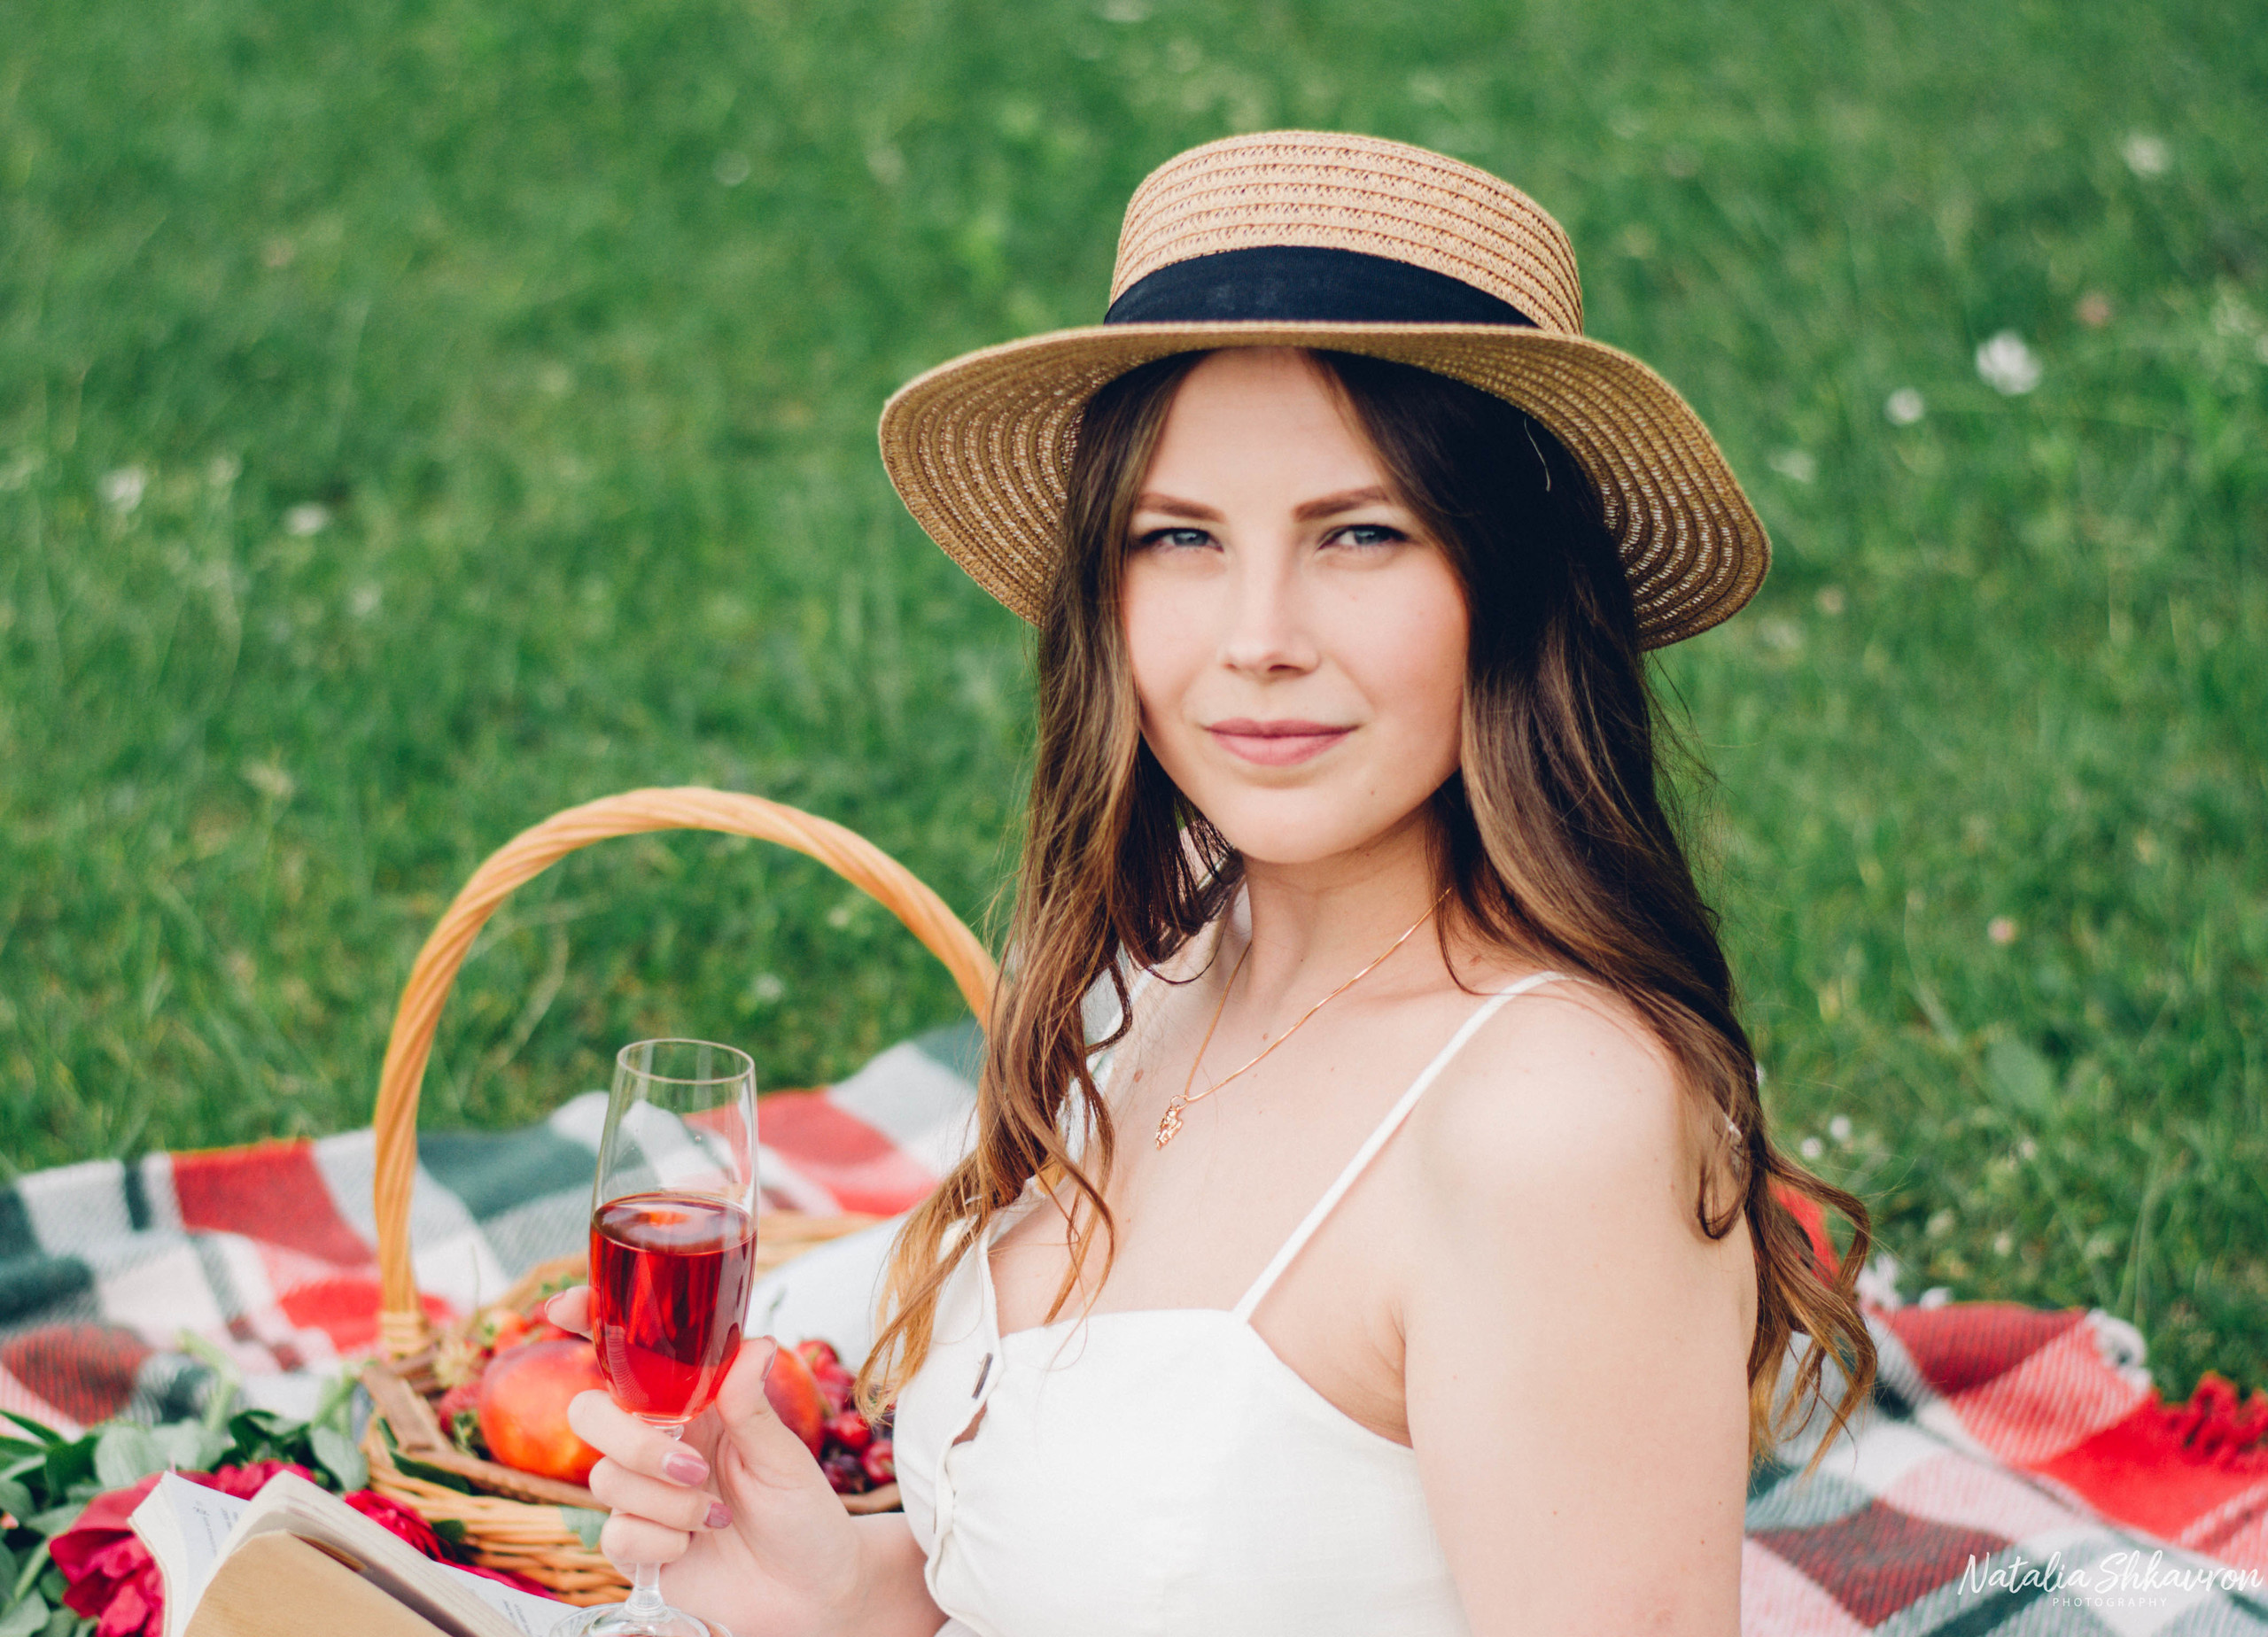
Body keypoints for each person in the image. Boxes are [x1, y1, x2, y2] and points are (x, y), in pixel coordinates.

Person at [549, 130, 1876, 1636]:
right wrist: (832, 1589)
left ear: (1509, 588)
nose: (1258, 636)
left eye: (1359, 534)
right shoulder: (1163, 967)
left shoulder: (1545, 1123)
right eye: (1181, 538)